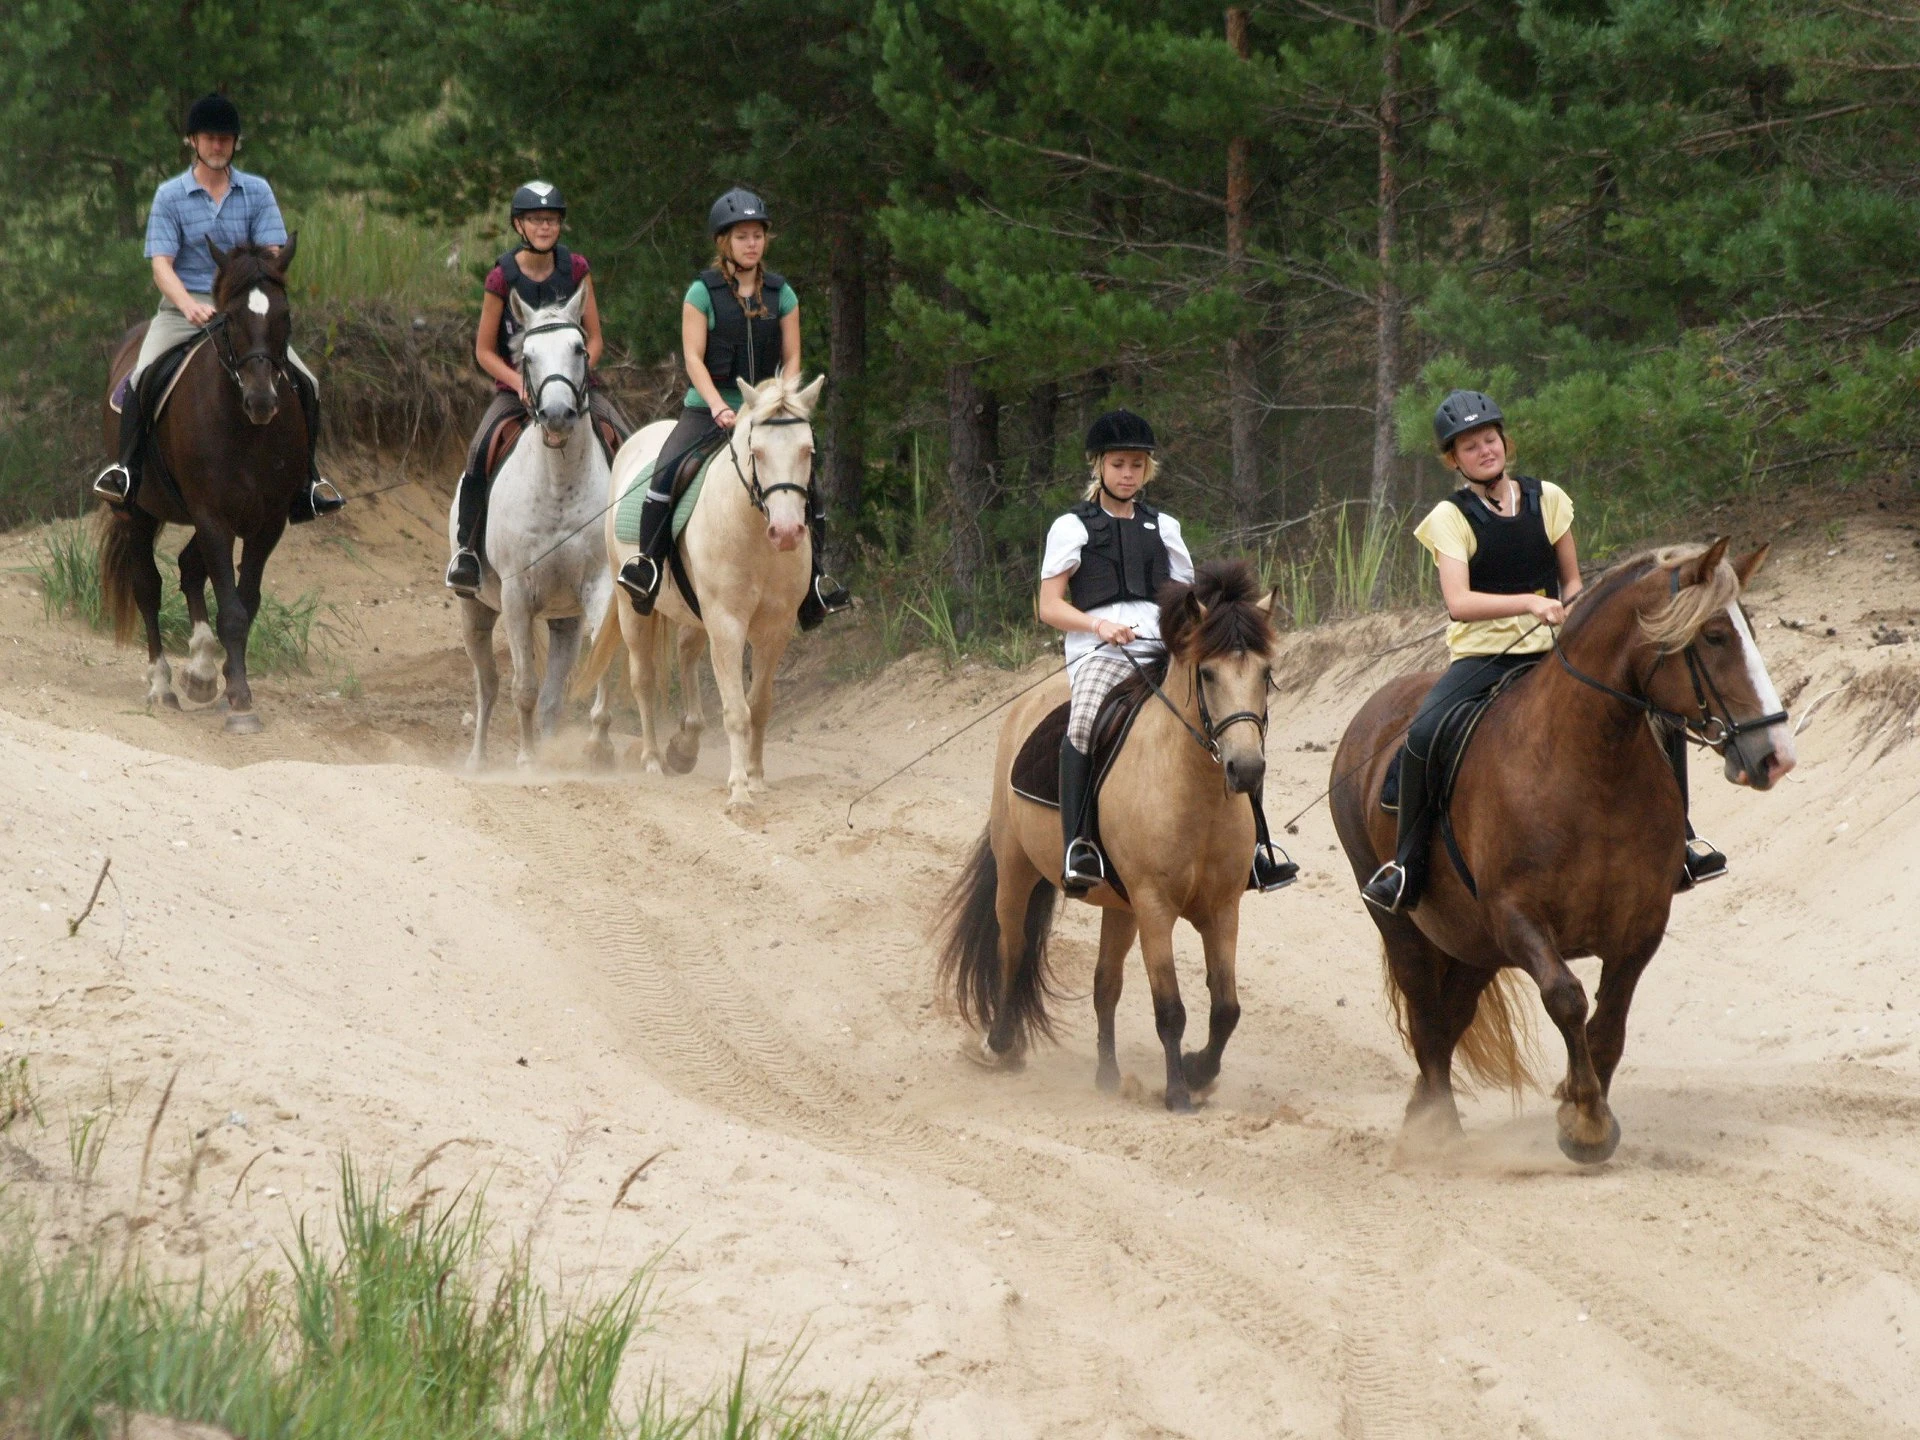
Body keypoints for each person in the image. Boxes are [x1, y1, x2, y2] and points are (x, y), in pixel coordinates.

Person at [1359, 390, 1731, 915]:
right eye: (1470, 446)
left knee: (1660, 715)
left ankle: (1682, 844)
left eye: (1489, 439)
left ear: (1504, 441)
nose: (1484, 450)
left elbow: (1572, 582)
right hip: (1482, 657)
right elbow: (1458, 602)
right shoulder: (1449, 517)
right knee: (1423, 732)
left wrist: (1574, 610)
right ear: (1454, 459)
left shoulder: (1548, 498)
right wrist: (1531, 605)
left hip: (1558, 652)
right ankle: (1407, 863)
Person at [1037, 410, 1297, 898]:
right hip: (1099, 651)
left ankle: (1258, 846)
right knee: (1084, 720)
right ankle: (1079, 845)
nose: (1128, 474)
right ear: (1099, 466)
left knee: (1235, 716)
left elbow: (1191, 602)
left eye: (1137, 465)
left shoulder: (1165, 527)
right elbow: (1049, 605)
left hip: (1164, 647)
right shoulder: (1072, 527)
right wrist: (1099, 625)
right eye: (1118, 464)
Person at [93, 93, 343, 524]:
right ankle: (126, 471)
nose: (218, 145)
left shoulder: (256, 191)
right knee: (141, 375)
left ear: (235, 144)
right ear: (193, 141)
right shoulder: (170, 196)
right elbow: (160, 266)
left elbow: (271, 251)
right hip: (184, 307)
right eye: (210, 138)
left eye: (225, 139)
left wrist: (270, 273)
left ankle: (309, 482)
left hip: (243, 310)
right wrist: (188, 305)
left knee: (307, 381)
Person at [614, 187, 851, 628]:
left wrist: (783, 396)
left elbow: (793, 356)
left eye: (758, 235)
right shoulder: (701, 293)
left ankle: (816, 580)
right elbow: (692, 358)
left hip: (770, 411)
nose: (752, 243)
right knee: (667, 472)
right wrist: (720, 406)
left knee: (806, 484)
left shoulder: (784, 294)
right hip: (709, 409)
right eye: (742, 236)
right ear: (725, 241)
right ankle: (646, 565)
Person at [444, 181, 633, 595]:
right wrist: (520, 386)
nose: (544, 227)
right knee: (480, 451)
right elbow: (483, 350)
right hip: (518, 391)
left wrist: (575, 379)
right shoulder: (501, 277)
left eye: (551, 220)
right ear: (519, 225)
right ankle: (467, 552)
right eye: (535, 220)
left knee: (628, 444)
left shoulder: (577, 269)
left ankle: (637, 551)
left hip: (575, 389)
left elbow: (595, 338)